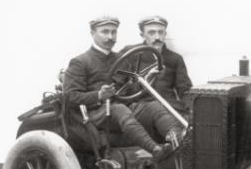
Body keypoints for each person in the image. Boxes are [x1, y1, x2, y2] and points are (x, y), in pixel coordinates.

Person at [62, 15, 172, 160]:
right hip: (95, 114)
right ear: (92, 33)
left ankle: (176, 140)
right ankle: (156, 150)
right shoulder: (80, 62)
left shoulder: (120, 59)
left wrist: (147, 79)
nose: (111, 37)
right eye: (105, 32)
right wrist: (98, 95)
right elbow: (71, 97)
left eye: (114, 32)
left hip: (120, 108)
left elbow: (130, 91)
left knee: (153, 106)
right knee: (119, 109)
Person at [118, 15, 191, 143]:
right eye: (151, 32)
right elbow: (122, 89)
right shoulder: (130, 54)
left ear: (165, 34)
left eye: (160, 32)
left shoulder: (175, 58)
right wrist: (146, 79)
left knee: (196, 122)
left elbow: (185, 90)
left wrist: (192, 108)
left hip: (170, 106)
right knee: (161, 114)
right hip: (142, 107)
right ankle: (176, 141)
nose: (157, 37)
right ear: (142, 35)